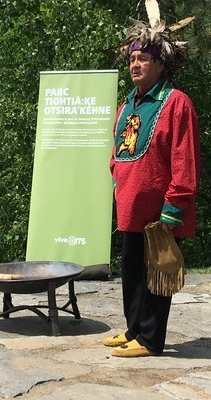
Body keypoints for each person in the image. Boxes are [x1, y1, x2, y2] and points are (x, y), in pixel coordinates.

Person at [103, 15, 201, 357]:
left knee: (157, 276)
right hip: (129, 207)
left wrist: (173, 210)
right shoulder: (127, 104)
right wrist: (118, 180)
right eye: (131, 59)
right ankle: (134, 330)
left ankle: (150, 339)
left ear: (159, 63)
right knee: (131, 272)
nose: (135, 64)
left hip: (160, 213)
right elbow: (117, 152)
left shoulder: (177, 103)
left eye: (142, 58)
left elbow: (184, 161)